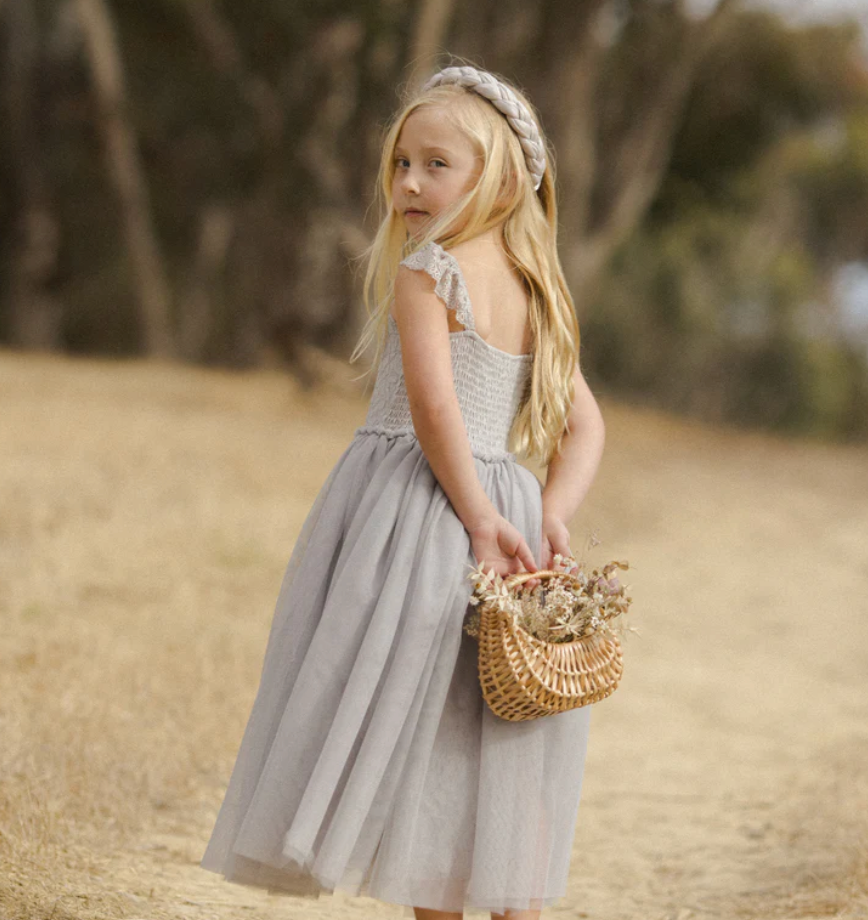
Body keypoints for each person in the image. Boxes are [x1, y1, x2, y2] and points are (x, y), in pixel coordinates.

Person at [200, 61, 606, 920]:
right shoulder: (538, 290)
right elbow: (587, 430)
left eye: (435, 164)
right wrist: (549, 514)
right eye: (400, 163)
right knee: (487, 737)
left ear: (494, 175)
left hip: (425, 520)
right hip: (505, 520)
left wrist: (479, 519)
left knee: (425, 743)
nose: (409, 184)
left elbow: (430, 408)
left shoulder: (431, 270)